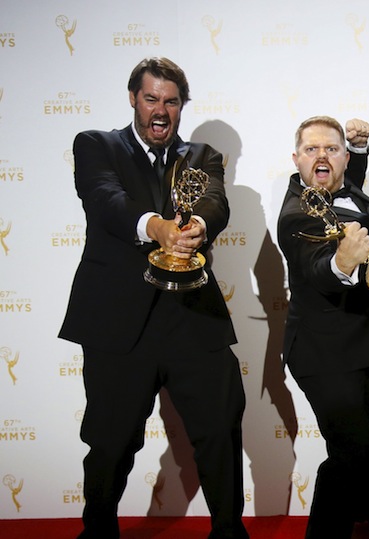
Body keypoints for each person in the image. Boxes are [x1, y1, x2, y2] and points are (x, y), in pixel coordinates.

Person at [58, 57, 248, 539]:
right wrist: (158, 228)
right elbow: (106, 200)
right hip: (119, 325)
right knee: (110, 442)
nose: (160, 111)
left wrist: (197, 228)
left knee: (220, 432)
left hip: (193, 320)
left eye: (170, 101)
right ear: (132, 99)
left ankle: (229, 532)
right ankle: (97, 531)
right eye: (150, 99)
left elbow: (213, 203)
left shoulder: (202, 155)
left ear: (181, 106)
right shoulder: (96, 145)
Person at [276, 116, 369, 538]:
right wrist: (341, 263)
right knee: (350, 453)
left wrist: (360, 150)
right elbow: (316, 270)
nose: (321, 156)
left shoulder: (343, 184)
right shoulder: (295, 215)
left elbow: (349, 190)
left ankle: (366, 510)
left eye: (331, 149)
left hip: (360, 345)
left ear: (345, 157)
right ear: (296, 159)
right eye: (311, 150)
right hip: (322, 350)